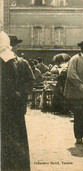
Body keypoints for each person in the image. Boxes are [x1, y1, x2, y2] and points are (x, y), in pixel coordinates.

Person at [1, 31, 35, 171]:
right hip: (16, 108)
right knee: (18, 138)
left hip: (6, 108)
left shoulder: (15, 62)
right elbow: (30, 81)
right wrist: (21, 94)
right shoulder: (21, 62)